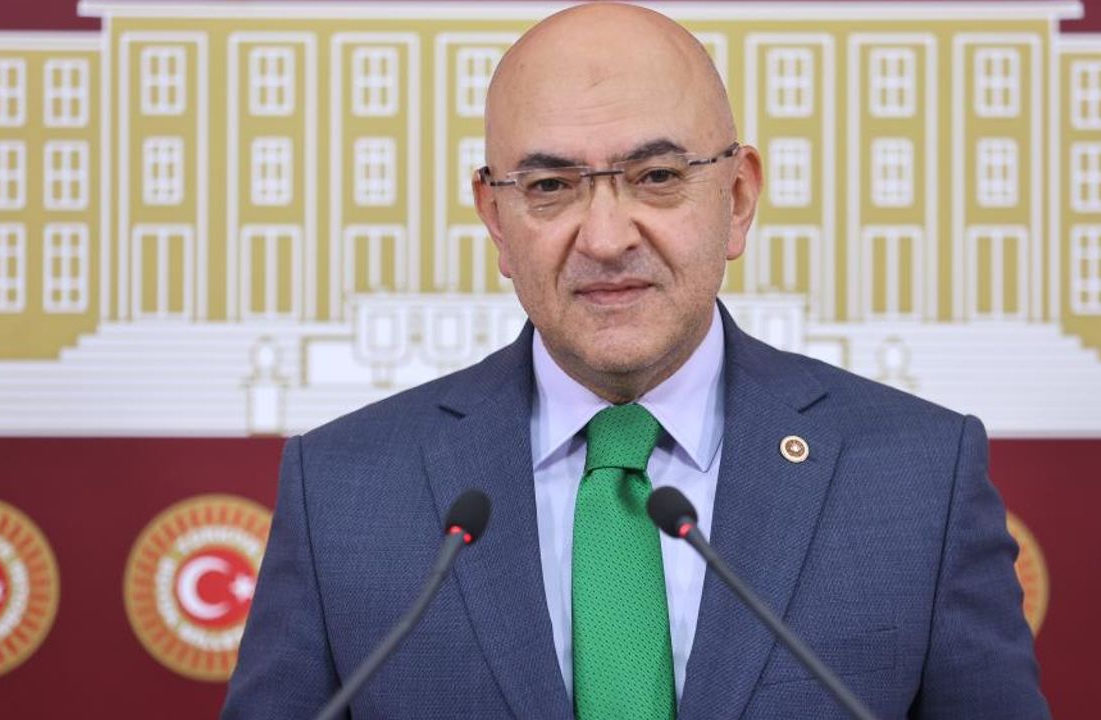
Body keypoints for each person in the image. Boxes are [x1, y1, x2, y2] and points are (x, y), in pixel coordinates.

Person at [223, 4, 1049, 718]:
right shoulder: (342, 492)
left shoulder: (919, 479)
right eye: (550, 187)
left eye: (656, 176)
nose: (607, 237)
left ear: (737, 198)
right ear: (496, 219)